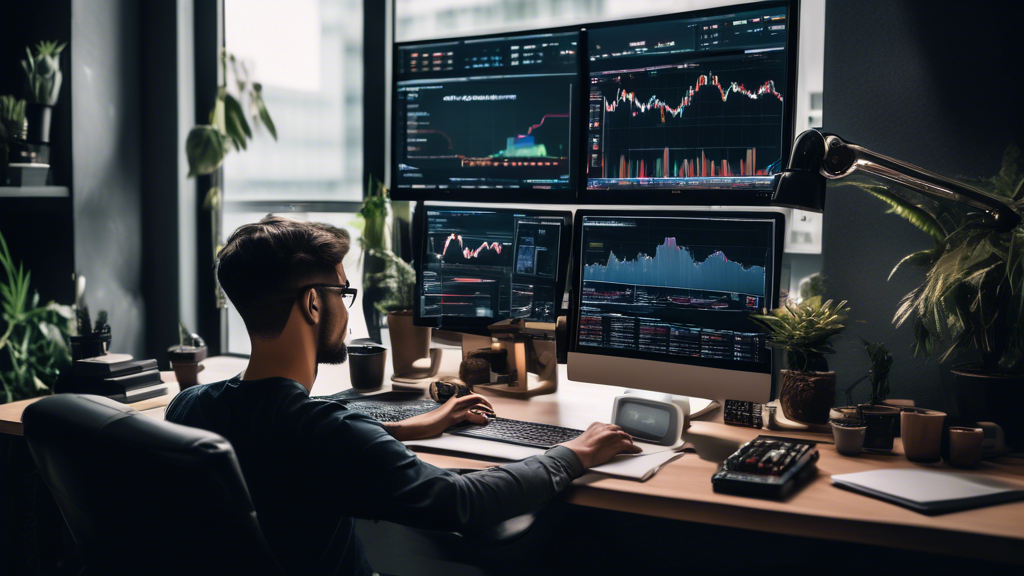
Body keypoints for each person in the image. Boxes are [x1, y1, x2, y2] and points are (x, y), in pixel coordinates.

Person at [165, 215, 640, 575]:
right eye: (343, 293)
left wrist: (404, 428)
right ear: (312, 303)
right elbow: (464, 502)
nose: (347, 311)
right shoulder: (324, 432)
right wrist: (573, 453)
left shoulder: (189, 405)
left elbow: (280, 438)